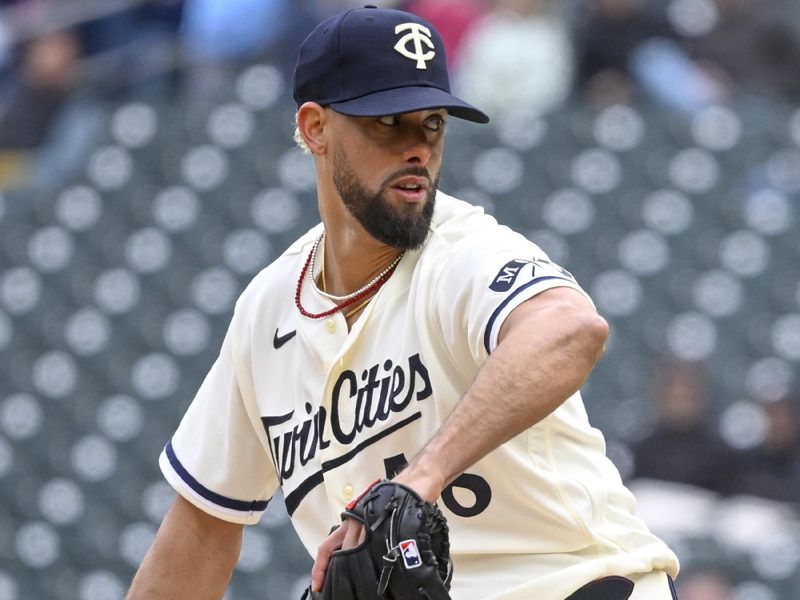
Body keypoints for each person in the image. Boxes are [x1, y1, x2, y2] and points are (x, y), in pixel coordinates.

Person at [126, 6, 679, 599]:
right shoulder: (267, 312)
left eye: (433, 123)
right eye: (388, 120)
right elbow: (201, 530)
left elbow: (571, 328)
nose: (418, 147)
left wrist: (422, 478)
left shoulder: (460, 252)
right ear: (315, 128)